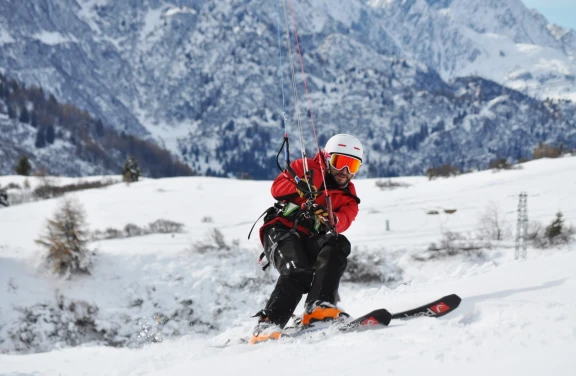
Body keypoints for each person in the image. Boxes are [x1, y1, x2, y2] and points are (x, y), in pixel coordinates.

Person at [250, 134, 363, 344]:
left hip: (310, 238)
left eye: (352, 166)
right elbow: (277, 188)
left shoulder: (349, 199)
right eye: (340, 163)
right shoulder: (307, 168)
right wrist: (299, 186)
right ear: (328, 159)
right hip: (281, 229)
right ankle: (268, 324)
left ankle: (319, 306)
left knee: (338, 242)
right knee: (297, 270)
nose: (344, 172)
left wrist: (330, 218)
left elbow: (343, 221)